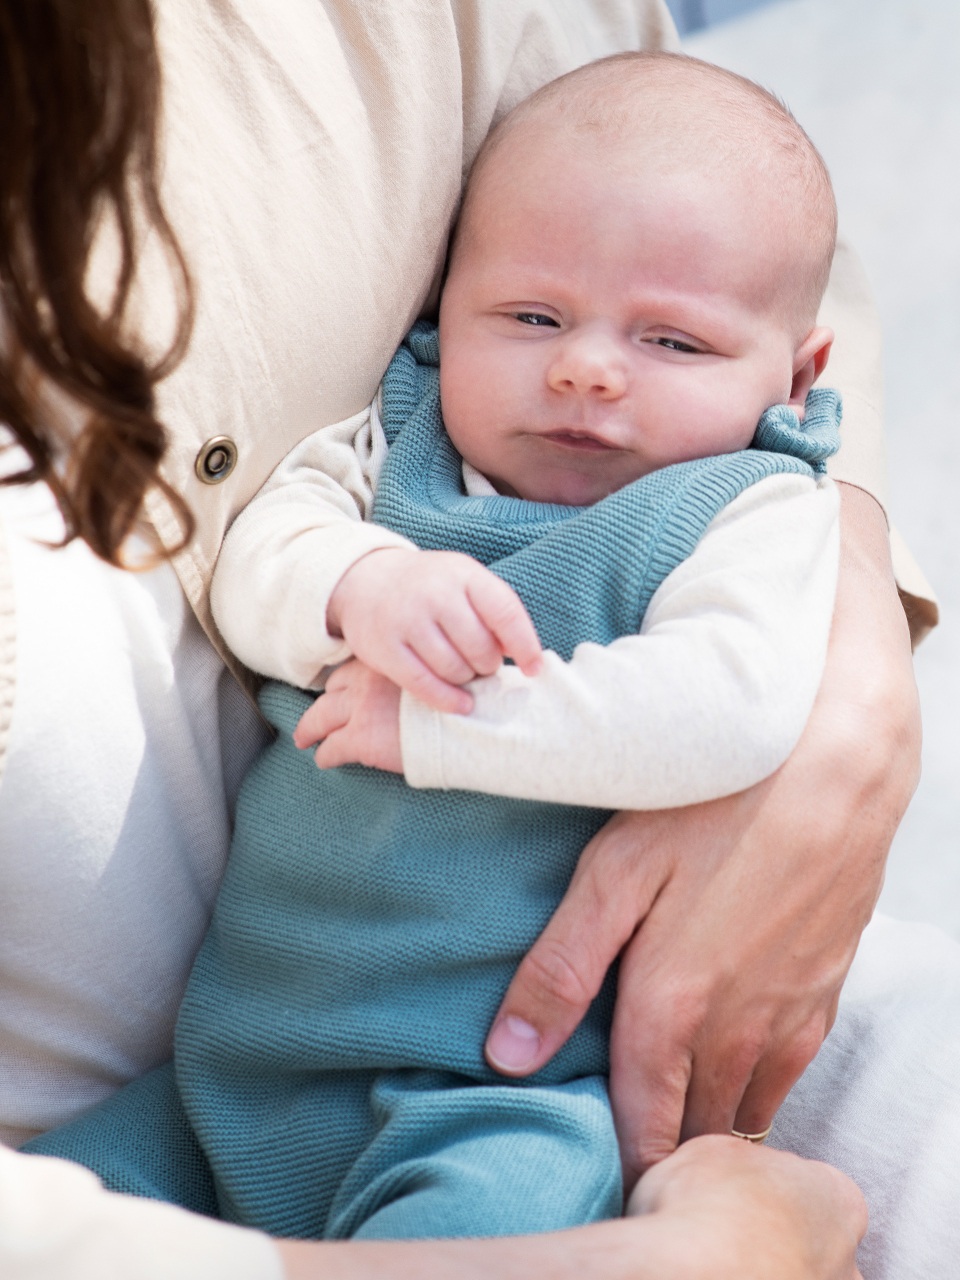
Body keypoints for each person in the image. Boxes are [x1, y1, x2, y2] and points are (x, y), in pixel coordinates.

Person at [0, 0, 932, 1275]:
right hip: (232, 1057)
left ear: (797, 377)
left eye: (670, 341)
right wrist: (357, 583)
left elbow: (728, 703)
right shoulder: (407, 435)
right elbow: (260, 552)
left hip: (494, 1078)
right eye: (531, 318)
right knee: (80, 1188)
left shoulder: (749, 509)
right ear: (445, 303)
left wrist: (449, 721)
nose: (588, 370)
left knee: (499, 1206)